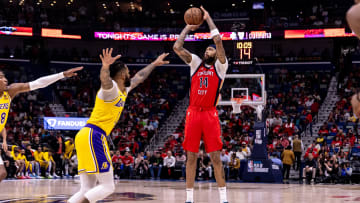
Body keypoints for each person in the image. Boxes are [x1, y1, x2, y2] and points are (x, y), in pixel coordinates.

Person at [68, 48, 169, 203]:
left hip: (85, 135)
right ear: (122, 75)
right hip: (94, 134)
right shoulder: (111, 89)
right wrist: (105, 67)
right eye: (128, 72)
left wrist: (154, 63)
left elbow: (139, 77)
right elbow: (105, 81)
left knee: (87, 189)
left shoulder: (124, 89)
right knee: (108, 187)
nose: (130, 74)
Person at [173, 6, 229, 203]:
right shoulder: (195, 62)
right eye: (207, 48)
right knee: (191, 157)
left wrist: (208, 18)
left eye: (211, 48)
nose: (209, 49)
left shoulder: (221, 66)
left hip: (210, 114)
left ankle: (223, 199)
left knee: (215, 157)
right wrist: (188, 28)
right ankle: (189, 199)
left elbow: (219, 41)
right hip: (193, 113)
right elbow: (177, 48)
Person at [0, 66, 82, 182]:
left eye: (4, 76)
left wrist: (62, 74)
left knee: (2, 173)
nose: (5, 79)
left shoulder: (10, 91)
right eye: (1, 77)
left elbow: (38, 83)